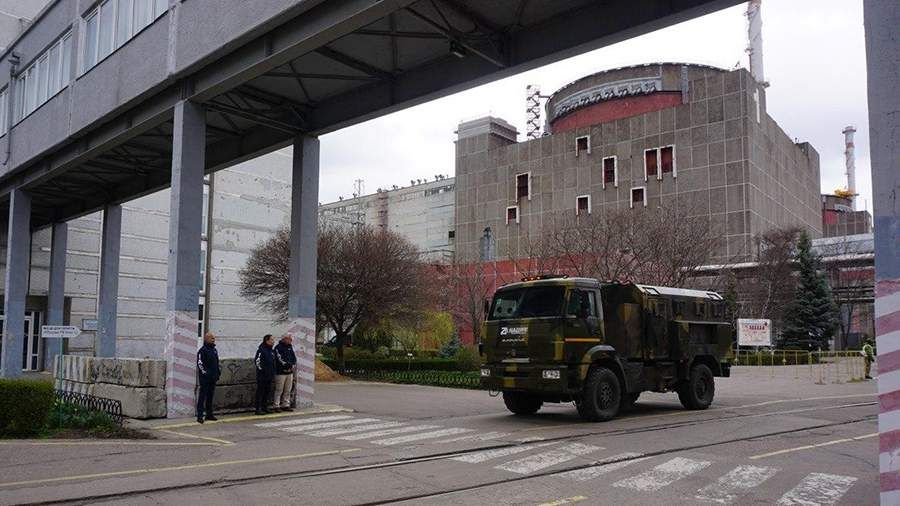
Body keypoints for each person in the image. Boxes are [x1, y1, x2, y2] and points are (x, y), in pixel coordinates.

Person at [196, 332, 220, 424]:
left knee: (210, 396)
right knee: (202, 396)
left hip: (213, 377)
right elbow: (200, 363)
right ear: (206, 339)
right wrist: (205, 373)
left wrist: (217, 373)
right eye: (212, 338)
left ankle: (209, 414)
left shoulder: (214, 350)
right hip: (205, 378)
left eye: (214, 338)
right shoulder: (202, 350)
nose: (214, 340)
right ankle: (200, 415)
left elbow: (216, 363)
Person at [273, 335, 297, 412]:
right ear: (284, 339)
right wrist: (287, 365)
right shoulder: (278, 347)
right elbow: (279, 359)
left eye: (291, 339)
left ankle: (285, 404)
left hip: (289, 372)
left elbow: (294, 357)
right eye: (289, 339)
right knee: (279, 389)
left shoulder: (290, 347)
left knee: (288, 389)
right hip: (280, 372)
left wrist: (292, 364)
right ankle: (276, 405)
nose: (291, 340)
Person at [254, 334, 276, 415]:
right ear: (267, 341)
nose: (273, 341)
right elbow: (257, 362)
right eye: (272, 340)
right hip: (262, 376)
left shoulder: (271, 351)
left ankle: (265, 407)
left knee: (267, 392)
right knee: (260, 392)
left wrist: (273, 372)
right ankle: (258, 408)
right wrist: (263, 372)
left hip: (269, 375)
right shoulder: (261, 350)